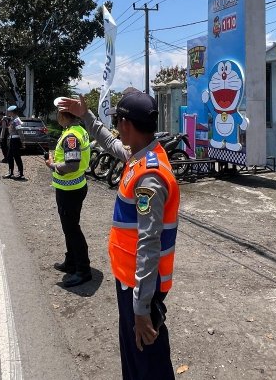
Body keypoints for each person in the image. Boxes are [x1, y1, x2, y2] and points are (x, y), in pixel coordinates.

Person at [58, 89, 179, 380]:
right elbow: (109, 142)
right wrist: (85, 115)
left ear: (126, 124)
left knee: (147, 360)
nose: (116, 128)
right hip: (131, 280)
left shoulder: (149, 175)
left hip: (141, 286)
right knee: (137, 357)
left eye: (118, 122)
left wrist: (141, 307)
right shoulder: (140, 155)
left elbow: (148, 245)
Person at [47, 98, 92, 288]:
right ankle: (71, 261)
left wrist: (53, 165)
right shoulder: (76, 130)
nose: (57, 116)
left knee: (72, 230)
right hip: (71, 187)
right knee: (69, 228)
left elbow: (71, 165)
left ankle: (83, 270)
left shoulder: (71, 136)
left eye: (58, 113)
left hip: (70, 189)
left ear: (64, 115)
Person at [4, 105, 25, 180]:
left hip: (16, 140)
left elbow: (20, 132)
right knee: (9, 157)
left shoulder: (16, 120)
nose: (8, 113)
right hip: (12, 140)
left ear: (12, 112)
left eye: (9, 112)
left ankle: (21, 173)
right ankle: (11, 173)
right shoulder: (13, 119)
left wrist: (23, 142)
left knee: (17, 157)